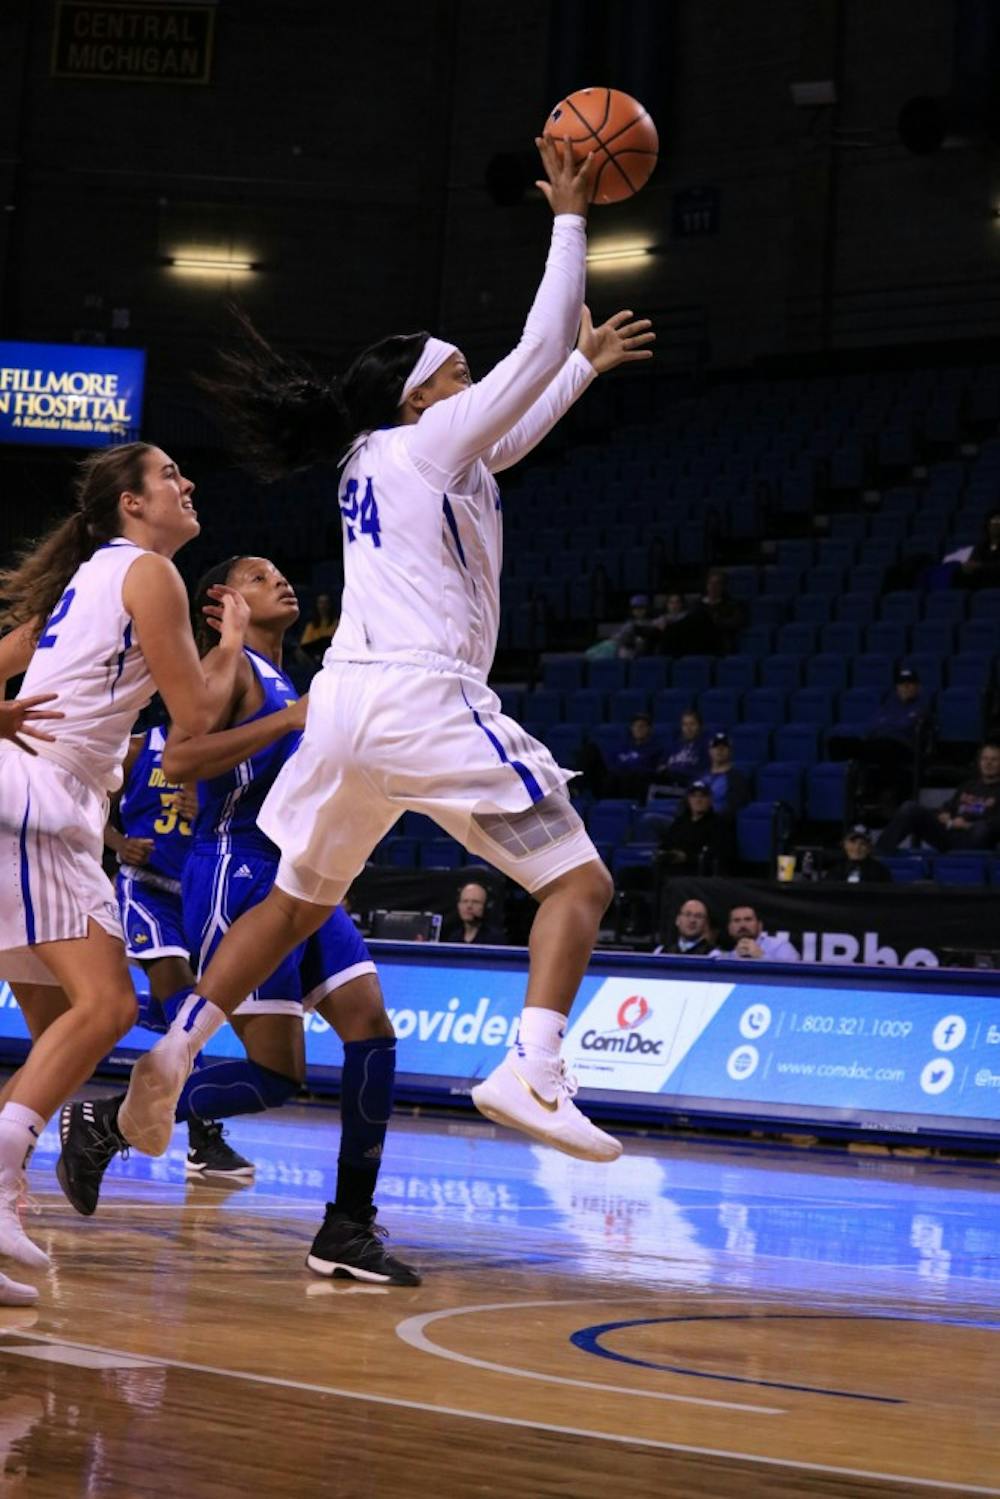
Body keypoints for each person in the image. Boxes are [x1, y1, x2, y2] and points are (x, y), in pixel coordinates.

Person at [114, 136, 655, 1171]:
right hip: (419, 695)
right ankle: (531, 1065)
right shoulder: (426, 441)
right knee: (578, 883)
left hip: (345, 706)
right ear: (420, 395)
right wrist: (573, 219)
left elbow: (523, 413)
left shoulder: (387, 455)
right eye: (458, 371)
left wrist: (582, 367)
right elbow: (531, 355)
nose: (473, 382)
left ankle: (178, 1048)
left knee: (297, 899)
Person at [58, 555, 418, 1284]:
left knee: (372, 1029)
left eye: (283, 573)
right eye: (259, 576)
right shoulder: (231, 669)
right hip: (240, 869)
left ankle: (347, 1222)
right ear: (223, 600)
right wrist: (287, 719)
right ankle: (104, 1123)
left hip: (304, 872)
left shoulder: (292, 674)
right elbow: (183, 758)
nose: (282, 580)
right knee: (277, 1072)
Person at [0, 441, 249, 1290]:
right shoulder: (148, 574)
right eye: (170, 474)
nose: (186, 482)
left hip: (39, 802)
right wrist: (237, 645)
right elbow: (196, 722)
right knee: (106, 1005)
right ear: (132, 504)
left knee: (52, 1034)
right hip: (40, 798)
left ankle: (5, 1194)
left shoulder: (88, 580)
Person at [103, 722, 253, 1178]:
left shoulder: (228, 751)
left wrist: (209, 804)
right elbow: (89, 802)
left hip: (201, 891)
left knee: (188, 1012)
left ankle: (122, 1012)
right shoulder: (135, 750)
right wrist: (118, 843)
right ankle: (204, 1139)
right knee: (187, 1004)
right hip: (147, 891)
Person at [828, 666, 929, 809]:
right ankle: (860, 788)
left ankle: (866, 787)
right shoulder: (889, 704)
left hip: (904, 747)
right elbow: (874, 726)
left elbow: (905, 726)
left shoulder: (921, 706)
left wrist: (888, 725)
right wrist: (891, 725)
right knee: (835, 742)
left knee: (876, 748)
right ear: (897, 687)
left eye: (910, 683)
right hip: (880, 744)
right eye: (902, 684)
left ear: (917, 686)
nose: (905, 687)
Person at [876, 741, 1000, 854]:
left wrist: (967, 825)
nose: (988, 763)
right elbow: (947, 807)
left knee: (981, 830)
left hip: (976, 839)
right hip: (950, 835)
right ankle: (878, 855)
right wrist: (943, 814)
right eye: (985, 759)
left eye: (994, 760)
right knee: (910, 808)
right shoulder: (968, 786)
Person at [655, 781, 729, 876]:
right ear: (688, 800)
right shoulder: (681, 821)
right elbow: (666, 844)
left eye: (703, 796)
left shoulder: (718, 823)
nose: (698, 800)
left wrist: (686, 857)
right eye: (694, 796)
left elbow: (716, 855)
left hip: (696, 873)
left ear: (710, 800)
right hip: (671, 867)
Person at [712, 905, 800, 962]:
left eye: (748, 919)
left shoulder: (780, 946)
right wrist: (735, 957)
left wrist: (761, 956)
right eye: (736, 921)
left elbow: (794, 975)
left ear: (760, 925)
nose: (742, 925)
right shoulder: (722, 955)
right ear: (729, 928)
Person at [655, 707, 710, 788]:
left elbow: (702, 773)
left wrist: (675, 771)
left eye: (692, 724)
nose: (688, 728)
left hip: (689, 783)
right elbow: (660, 767)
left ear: (700, 726)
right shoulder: (673, 746)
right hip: (668, 781)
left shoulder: (705, 746)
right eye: (685, 724)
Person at [695, 568, 747, 654]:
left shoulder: (732, 605)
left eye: (717, 584)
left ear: (723, 587)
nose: (713, 587)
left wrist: (718, 621)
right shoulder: (698, 605)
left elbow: (737, 622)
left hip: (720, 645)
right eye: (710, 583)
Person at [823, 825, 893, 884]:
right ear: (844, 844)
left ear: (869, 848)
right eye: (853, 842)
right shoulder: (835, 870)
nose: (857, 847)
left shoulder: (880, 872)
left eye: (862, 844)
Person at [440, 881, 505, 944]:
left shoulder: (494, 939)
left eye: (475, 902)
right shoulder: (454, 937)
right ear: (458, 905)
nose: (469, 906)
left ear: (485, 906)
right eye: (465, 901)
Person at [704, 732, 752, 817]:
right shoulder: (701, 776)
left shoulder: (737, 778)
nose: (720, 749)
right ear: (710, 751)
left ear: (731, 751)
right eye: (716, 746)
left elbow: (734, 806)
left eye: (724, 747)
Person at [960, 511, 1000, 589]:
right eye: (993, 522)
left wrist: (980, 566)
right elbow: (973, 561)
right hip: (981, 581)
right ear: (988, 526)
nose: (996, 525)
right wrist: (967, 567)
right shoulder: (981, 546)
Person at [299, 592, 338, 657]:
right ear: (316, 605)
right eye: (321, 603)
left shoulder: (337, 623)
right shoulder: (311, 626)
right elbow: (305, 645)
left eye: (326, 603)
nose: (323, 606)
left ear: (330, 605)